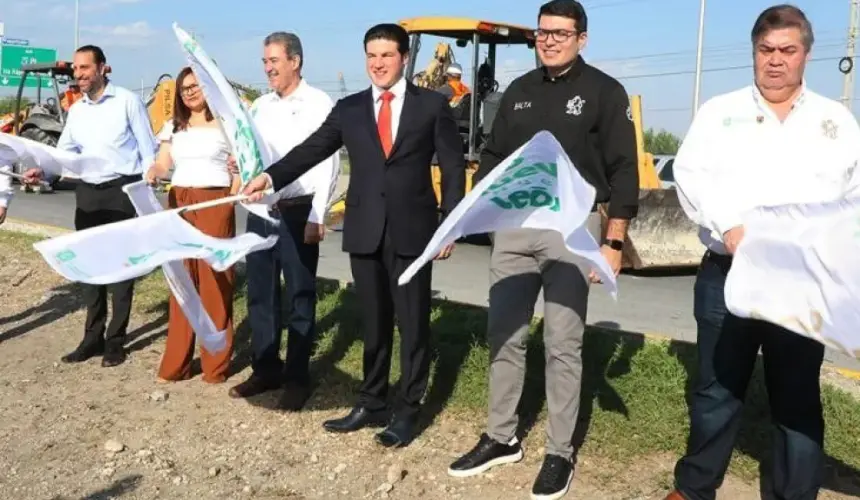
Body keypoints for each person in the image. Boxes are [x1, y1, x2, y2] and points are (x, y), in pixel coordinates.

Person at [446, 1, 639, 499]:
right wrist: (468, 214)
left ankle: (558, 453)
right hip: (514, 227)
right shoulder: (519, 91)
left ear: (582, 38)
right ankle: (500, 436)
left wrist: (613, 241)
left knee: (562, 344)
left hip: (572, 230)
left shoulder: (603, 92)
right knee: (504, 333)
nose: (549, 40)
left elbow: (622, 170)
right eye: (542, 32)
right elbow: (492, 156)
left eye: (560, 33)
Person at [664, 5, 857, 500]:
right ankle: (695, 487)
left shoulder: (835, 122)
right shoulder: (719, 113)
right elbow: (689, 174)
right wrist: (727, 225)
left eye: (787, 51)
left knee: (796, 395)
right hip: (729, 274)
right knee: (715, 391)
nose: (775, 61)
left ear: (806, 55)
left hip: (802, 283)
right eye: (766, 50)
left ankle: (794, 493)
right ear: (754, 52)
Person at [242, 23, 465, 448]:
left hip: (413, 232)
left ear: (402, 58)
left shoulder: (432, 107)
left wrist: (450, 222)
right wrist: (268, 178)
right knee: (374, 321)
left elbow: (453, 169)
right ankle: (371, 400)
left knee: (413, 324)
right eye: (371, 56)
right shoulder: (350, 108)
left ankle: (408, 408)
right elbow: (310, 150)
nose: (378, 64)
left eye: (386, 55)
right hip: (364, 229)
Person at [24, 45, 157, 367]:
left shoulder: (127, 101)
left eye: (85, 68)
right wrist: (43, 169)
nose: (79, 74)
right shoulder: (77, 111)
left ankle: (115, 341)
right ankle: (91, 337)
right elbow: (65, 152)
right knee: (90, 267)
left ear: (102, 69)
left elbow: (148, 147)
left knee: (122, 270)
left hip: (120, 191)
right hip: (87, 194)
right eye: (76, 69)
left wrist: (149, 180)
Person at [227, 32, 340, 411]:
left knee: (299, 296)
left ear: (295, 61)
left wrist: (317, 213)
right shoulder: (260, 107)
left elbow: (328, 162)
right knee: (260, 294)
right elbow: (253, 153)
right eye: (264, 62)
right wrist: (238, 166)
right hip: (262, 213)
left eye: (274, 60)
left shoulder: (318, 103)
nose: (268, 68)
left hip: (298, 211)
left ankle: (296, 378)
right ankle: (266, 368)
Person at [145, 66, 238, 384]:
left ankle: (215, 365)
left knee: (215, 281)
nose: (190, 92)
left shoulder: (227, 124)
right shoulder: (174, 125)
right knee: (182, 282)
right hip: (179, 204)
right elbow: (163, 161)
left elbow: (240, 168)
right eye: (184, 88)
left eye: (195, 86)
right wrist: (154, 171)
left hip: (215, 202)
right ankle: (177, 363)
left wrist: (234, 192)